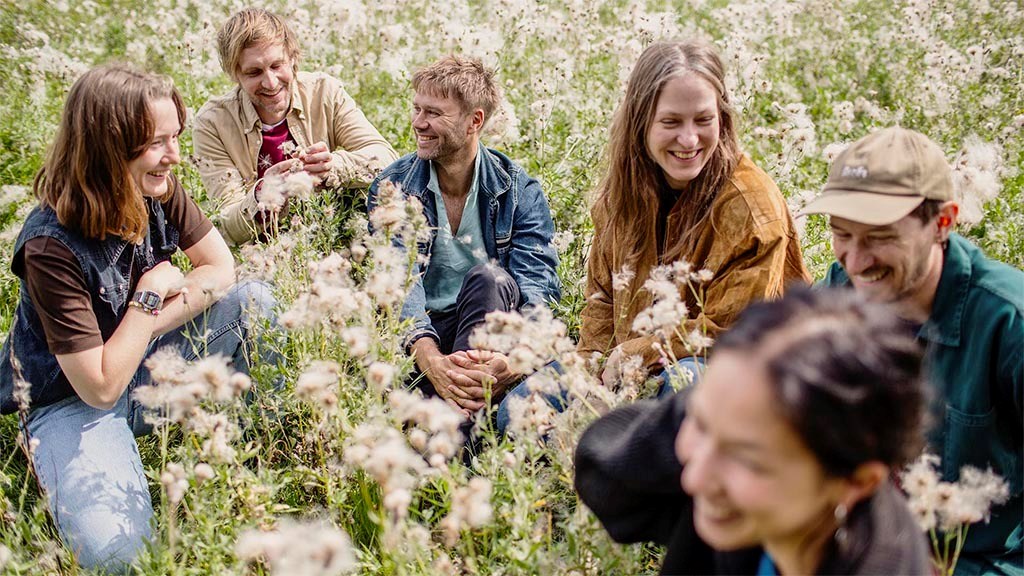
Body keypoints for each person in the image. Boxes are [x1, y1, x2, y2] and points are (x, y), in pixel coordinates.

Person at [0, 64, 276, 572]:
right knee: (121, 558)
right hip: (71, 406)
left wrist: (142, 329)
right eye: (156, 142)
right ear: (108, 149)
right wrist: (148, 296)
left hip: (145, 363)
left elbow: (220, 268)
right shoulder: (49, 245)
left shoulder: (157, 186)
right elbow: (100, 387)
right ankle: (49, 457)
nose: (173, 155)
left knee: (255, 300)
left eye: (174, 137)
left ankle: (274, 446)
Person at [575, 288, 932, 575]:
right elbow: (603, 472)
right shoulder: (758, 508)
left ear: (858, 482)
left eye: (746, 458)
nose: (694, 479)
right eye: (699, 423)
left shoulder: (885, 561)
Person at [802, 126, 1023, 575]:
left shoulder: (1008, 322)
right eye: (841, 233)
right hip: (870, 542)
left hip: (979, 562)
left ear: (943, 222)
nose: (856, 260)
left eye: (880, 236)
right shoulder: (838, 292)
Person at [577, 40, 810, 395]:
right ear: (641, 122)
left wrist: (640, 350)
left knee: (682, 384)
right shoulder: (621, 194)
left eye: (704, 120)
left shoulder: (750, 207)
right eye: (670, 122)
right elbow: (602, 300)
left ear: (722, 118)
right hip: (626, 372)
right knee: (525, 405)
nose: (689, 140)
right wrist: (588, 370)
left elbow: (734, 330)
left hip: (738, 375)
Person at [367, 55, 560, 425]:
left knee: (489, 279)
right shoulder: (394, 187)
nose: (418, 123)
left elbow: (538, 290)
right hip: (421, 342)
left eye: (434, 114)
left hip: (491, 336)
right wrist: (432, 360)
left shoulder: (519, 190)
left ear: (475, 121)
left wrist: (513, 360)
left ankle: (456, 424)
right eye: (417, 109)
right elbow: (396, 285)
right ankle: (466, 428)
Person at [193, 7, 398, 245]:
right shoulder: (213, 123)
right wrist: (263, 194)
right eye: (254, 72)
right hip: (264, 257)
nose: (270, 82)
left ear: (292, 58)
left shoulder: (324, 92)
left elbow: (387, 159)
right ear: (235, 74)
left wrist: (334, 166)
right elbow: (227, 225)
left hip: (338, 242)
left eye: (277, 65)